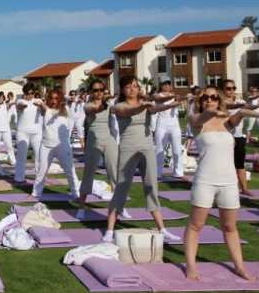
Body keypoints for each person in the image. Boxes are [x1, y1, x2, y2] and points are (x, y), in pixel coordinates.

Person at [183, 85, 259, 282]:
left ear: (219, 99)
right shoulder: (196, 120)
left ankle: (239, 267)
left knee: (230, 227)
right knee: (196, 224)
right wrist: (213, 111)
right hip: (205, 180)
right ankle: (190, 264)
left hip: (229, 181)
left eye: (214, 97)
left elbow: (241, 111)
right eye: (205, 97)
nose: (209, 99)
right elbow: (203, 117)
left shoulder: (227, 122)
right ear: (200, 101)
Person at [104, 76, 181, 243]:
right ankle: (110, 230)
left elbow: (155, 108)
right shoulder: (118, 107)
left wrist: (169, 104)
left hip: (147, 148)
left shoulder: (146, 105)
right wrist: (143, 106)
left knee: (151, 186)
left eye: (135, 86)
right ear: (122, 90)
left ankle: (162, 229)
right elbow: (130, 112)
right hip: (128, 149)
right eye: (128, 86)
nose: (132, 89)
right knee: (122, 188)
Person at [30, 88, 79, 199]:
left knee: (70, 171)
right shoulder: (46, 109)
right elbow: (43, 109)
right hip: (46, 146)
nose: (53, 100)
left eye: (56, 98)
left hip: (62, 146)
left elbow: (63, 110)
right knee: (41, 171)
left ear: (60, 99)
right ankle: (35, 193)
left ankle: (76, 194)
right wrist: (41, 104)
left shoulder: (65, 109)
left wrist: (61, 106)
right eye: (51, 98)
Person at [79, 79, 118, 211]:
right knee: (88, 174)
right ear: (91, 92)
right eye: (96, 90)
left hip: (109, 140)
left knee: (115, 174)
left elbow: (118, 109)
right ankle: (81, 207)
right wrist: (100, 107)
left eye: (101, 90)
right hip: (93, 141)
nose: (99, 92)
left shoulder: (109, 106)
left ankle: (120, 206)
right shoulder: (87, 105)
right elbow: (92, 110)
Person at [219, 79, 257, 197]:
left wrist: (257, 107)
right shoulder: (220, 102)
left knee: (240, 164)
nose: (232, 91)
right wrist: (239, 106)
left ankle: (244, 189)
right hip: (224, 137)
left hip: (238, 137)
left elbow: (247, 109)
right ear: (222, 90)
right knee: (224, 165)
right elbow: (228, 105)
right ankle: (221, 189)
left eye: (233, 88)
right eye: (228, 88)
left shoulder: (241, 101)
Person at [153, 78, 187, 181]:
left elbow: (179, 100)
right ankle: (157, 173)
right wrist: (172, 97)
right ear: (160, 85)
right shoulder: (157, 95)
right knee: (159, 149)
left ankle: (178, 172)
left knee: (177, 149)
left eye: (168, 83)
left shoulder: (174, 95)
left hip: (174, 124)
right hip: (162, 124)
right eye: (164, 84)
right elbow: (159, 100)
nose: (167, 85)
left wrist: (186, 97)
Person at [15, 83, 44, 183]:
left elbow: (43, 110)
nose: (30, 95)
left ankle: (41, 178)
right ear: (24, 93)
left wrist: (41, 105)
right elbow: (20, 106)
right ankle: (19, 178)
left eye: (32, 93)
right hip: (22, 132)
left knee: (39, 156)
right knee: (21, 156)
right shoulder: (20, 101)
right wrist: (23, 106)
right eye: (28, 93)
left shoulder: (39, 101)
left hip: (37, 132)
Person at [0, 93, 16, 166]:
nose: (1, 99)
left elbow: (9, 105)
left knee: (9, 146)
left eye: (2, 97)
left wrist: (14, 102)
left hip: (6, 129)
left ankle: (13, 161)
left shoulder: (5, 106)